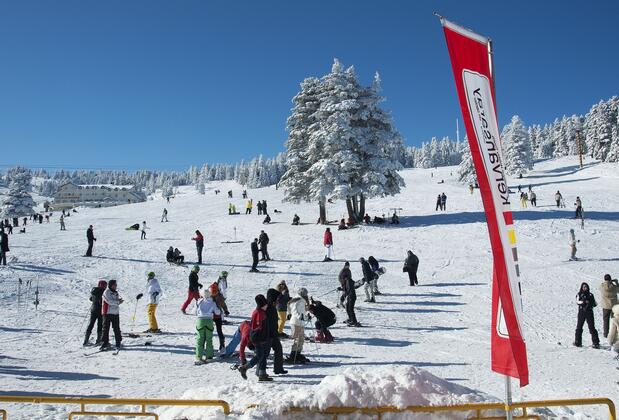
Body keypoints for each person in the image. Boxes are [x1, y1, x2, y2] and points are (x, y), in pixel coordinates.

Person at [238, 294, 273, 381]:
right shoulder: (258, 313)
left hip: (261, 338)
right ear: (261, 305)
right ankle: (245, 368)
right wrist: (262, 335)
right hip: (258, 338)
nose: (267, 306)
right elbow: (258, 327)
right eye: (265, 304)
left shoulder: (261, 312)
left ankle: (262, 374)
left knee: (263, 355)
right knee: (260, 355)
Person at [194, 286, 221, 365]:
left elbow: (194, 311)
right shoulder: (212, 303)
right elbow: (217, 312)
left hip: (200, 321)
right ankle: (209, 357)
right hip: (209, 321)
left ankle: (198, 357)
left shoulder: (199, 302)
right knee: (209, 339)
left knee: (199, 340)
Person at [285, 288, 310, 364]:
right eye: (305, 293)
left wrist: (306, 317)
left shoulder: (299, 299)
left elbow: (289, 306)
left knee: (301, 339)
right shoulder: (299, 299)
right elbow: (295, 310)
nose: (306, 295)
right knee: (298, 339)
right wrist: (299, 316)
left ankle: (297, 353)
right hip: (296, 322)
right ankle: (293, 355)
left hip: (299, 322)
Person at [266, 288, 288, 375]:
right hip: (267, 335)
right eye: (277, 298)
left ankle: (278, 369)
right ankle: (260, 371)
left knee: (279, 350)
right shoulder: (267, 308)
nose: (278, 300)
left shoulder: (273, 307)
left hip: (274, 334)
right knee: (265, 353)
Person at [573, 282, 600, 349]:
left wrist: (590, 303)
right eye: (584, 287)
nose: (585, 288)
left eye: (586, 287)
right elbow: (577, 302)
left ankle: (596, 342)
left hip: (589, 312)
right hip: (582, 312)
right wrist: (584, 302)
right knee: (579, 327)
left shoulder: (590, 295)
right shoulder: (579, 294)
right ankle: (578, 342)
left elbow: (595, 303)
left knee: (592, 327)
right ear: (581, 287)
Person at [100, 280, 124, 351]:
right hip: (107, 313)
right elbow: (109, 301)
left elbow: (115, 301)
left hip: (115, 313)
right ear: (111, 285)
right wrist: (118, 302)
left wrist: (119, 300)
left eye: (116, 285)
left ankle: (118, 342)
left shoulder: (116, 292)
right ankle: (104, 343)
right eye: (115, 285)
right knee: (106, 329)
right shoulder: (106, 292)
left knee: (116, 328)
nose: (116, 286)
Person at [83, 280, 107, 346]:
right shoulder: (104, 291)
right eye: (105, 285)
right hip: (100, 310)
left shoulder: (94, 290)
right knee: (100, 325)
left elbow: (90, 299)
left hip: (93, 309)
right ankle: (98, 340)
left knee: (91, 324)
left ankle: (85, 341)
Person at [341, 262, 361, 327]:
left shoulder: (348, 281)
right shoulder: (348, 281)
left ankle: (354, 321)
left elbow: (349, 289)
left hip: (351, 296)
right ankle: (350, 319)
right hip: (350, 296)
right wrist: (342, 289)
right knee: (347, 307)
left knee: (350, 309)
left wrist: (345, 293)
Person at [210, 283, 227, 354]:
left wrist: (226, 310)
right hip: (209, 316)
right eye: (212, 292)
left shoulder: (219, 296)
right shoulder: (208, 296)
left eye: (215, 292)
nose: (214, 294)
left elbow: (223, 303)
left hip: (217, 316)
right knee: (209, 331)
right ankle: (208, 346)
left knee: (219, 330)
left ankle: (222, 345)